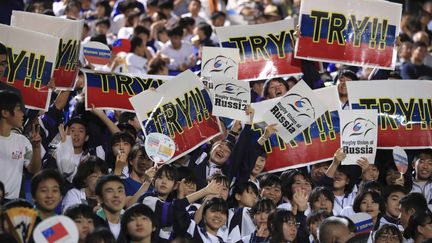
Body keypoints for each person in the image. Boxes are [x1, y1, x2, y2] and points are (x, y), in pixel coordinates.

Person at [0, 90, 41, 199]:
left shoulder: (22, 141)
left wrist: (36, 148)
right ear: (5, 113)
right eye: (18, 109)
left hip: (12, 204)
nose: (23, 114)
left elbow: (34, 170)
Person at [95, 175, 127, 240]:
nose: (116, 195)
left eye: (120, 191)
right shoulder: (93, 224)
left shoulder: (129, 225)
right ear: (99, 198)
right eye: (110, 191)